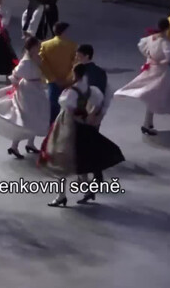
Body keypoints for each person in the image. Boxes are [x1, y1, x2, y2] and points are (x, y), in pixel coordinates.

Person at [41, 64, 124, 207]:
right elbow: (98, 102)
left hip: (66, 124)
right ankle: (87, 190)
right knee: (81, 158)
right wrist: (89, 115)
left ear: (75, 74)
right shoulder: (90, 90)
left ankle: (61, 196)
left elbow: (67, 107)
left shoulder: (71, 92)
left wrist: (76, 115)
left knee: (60, 160)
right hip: (82, 126)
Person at [115, 18, 170, 135]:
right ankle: (148, 123)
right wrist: (160, 61)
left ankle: (147, 123)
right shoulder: (165, 43)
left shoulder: (150, 38)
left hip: (150, 69)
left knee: (153, 96)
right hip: (161, 73)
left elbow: (142, 46)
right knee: (166, 95)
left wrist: (150, 57)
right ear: (167, 28)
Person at [0, 37, 50, 159]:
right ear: (32, 47)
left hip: (36, 88)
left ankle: (30, 143)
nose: (40, 48)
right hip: (28, 91)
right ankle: (15, 146)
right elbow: (14, 75)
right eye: (38, 46)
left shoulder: (36, 57)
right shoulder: (26, 62)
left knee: (36, 116)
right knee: (25, 118)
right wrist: (16, 86)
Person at [74, 44, 114, 203]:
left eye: (79, 55)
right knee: (90, 145)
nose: (76, 58)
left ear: (86, 56)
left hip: (88, 115)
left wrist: (92, 114)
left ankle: (90, 178)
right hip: (93, 114)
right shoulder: (99, 72)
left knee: (85, 147)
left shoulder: (86, 74)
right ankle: (94, 176)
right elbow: (104, 94)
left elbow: (93, 96)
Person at [39, 22, 77, 123]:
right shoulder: (72, 46)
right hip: (68, 82)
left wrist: (53, 78)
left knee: (53, 108)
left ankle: (52, 128)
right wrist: (68, 78)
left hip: (52, 82)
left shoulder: (45, 45)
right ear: (64, 31)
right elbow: (76, 64)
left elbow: (42, 64)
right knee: (68, 107)